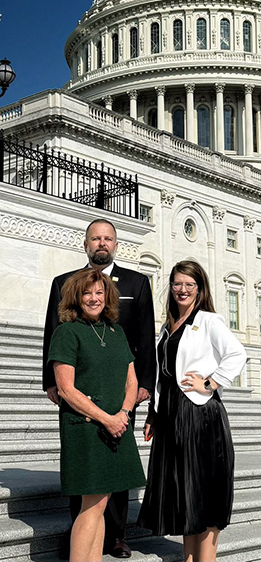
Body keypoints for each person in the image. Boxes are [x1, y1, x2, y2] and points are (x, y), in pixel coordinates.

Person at [43, 218, 155, 559]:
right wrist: (51, 383)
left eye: (108, 238)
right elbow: (52, 331)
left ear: (116, 244)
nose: (102, 243)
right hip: (87, 411)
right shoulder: (66, 293)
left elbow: (144, 341)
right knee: (90, 497)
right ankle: (82, 542)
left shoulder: (134, 288)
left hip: (121, 401)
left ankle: (115, 536)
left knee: (109, 490)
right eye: (96, 238)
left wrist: (139, 393)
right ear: (86, 243)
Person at [138, 260, 246, 562]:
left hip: (199, 413)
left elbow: (237, 353)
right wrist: (153, 413)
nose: (182, 290)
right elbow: (162, 373)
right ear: (170, 287)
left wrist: (211, 382)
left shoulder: (209, 320)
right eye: (177, 284)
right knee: (183, 490)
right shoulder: (167, 326)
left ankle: (206, 559)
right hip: (170, 413)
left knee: (205, 487)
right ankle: (188, 558)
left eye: (189, 284)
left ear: (200, 289)